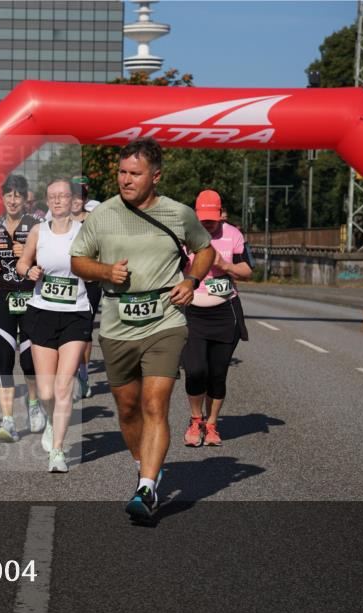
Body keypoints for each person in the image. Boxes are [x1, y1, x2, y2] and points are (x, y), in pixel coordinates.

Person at [69, 138, 214, 521]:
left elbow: (205, 249)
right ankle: (144, 466)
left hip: (165, 320)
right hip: (117, 322)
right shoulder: (103, 215)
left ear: (156, 176)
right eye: (122, 172)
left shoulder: (178, 213)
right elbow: (78, 260)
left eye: (135, 173)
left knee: (154, 403)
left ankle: (147, 488)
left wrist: (191, 281)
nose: (126, 179)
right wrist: (104, 271)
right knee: (128, 407)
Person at [16, 178, 93, 473]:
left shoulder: (84, 232)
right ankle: (50, 420)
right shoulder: (39, 231)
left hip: (76, 313)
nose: (58, 200)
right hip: (43, 313)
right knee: (46, 392)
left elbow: (96, 263)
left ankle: (58, 451)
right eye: (53, 196)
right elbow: (22, 263)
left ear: (73, 200)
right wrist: (29, 271)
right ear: (47, 201)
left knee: (63, 386)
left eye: (63, 196)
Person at [0, 174, 47, 442]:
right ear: (2, 197)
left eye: (18, 195)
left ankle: (33, 403)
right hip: (3, 299)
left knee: (29, 361)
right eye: (8, 195)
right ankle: (7, 420)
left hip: (31, 298)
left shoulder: (37, 226)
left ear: (26, 198)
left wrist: (30, 255)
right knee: (4, 359)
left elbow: (49, 262)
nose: (13, 200)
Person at [182, 196, 252, 447]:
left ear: (221, 214)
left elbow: (247, 271)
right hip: (192, 312)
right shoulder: (185, 235)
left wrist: (224, 264)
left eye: (212, 219)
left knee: (217, 374)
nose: (208, 224)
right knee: (195, 370)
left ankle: (211, 424)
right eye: (203, 220)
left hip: (225, 313)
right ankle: (195, 419)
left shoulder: (233, 235)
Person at [70, 182, 100, 400]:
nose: (75, 201)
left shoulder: (94, 221)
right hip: (66, 282)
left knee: (85, 329)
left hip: (89, 281)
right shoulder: (59, 221)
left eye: (79, 197)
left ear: (85, 200)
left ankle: (83, 375)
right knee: (66, 328)